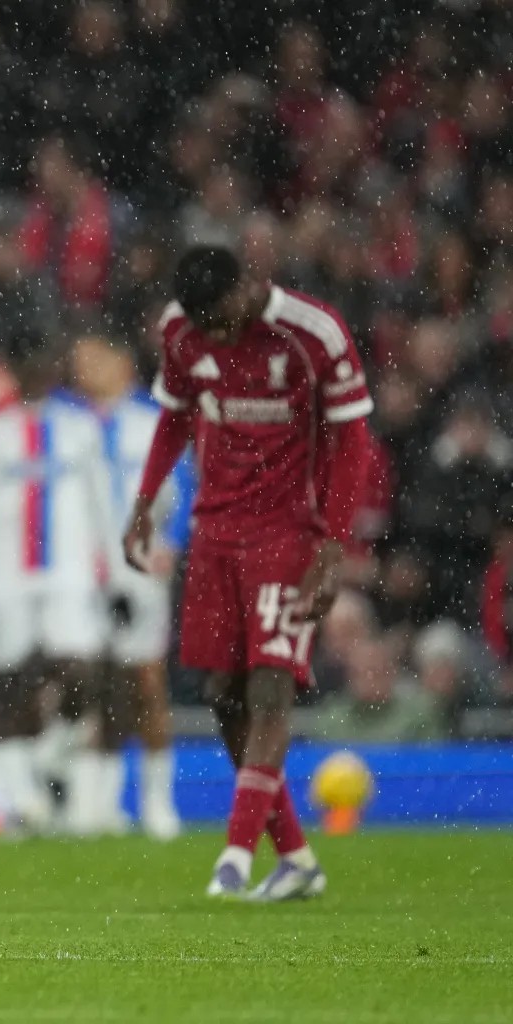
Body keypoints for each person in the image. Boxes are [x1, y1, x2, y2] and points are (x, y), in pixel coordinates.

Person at [124, 246, 373, 901]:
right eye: (203, 320)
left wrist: (333, 544)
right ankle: (295, 858)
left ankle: (233, 859)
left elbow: (354, 440)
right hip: (214, 533)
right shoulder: (182, 331)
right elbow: (175, 415)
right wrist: (146, 499)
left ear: (251, 283)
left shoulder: (314, 333)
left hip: (288, 535)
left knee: (270, 693)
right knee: (223, 698)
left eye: (223, 316)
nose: (215, 332)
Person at [0, 351, 123, 837]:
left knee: (83, 673)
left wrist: (114, 576)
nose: (35, 375)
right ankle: (24, 799)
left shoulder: (80, 429)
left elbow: (101, 501)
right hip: (5, 575)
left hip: (69, 573)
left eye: (42, 366)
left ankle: (50, 753)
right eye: (27, 366)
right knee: (11, 683)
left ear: (53, 372)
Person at [71, 335, 192, 840]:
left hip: (138, 565)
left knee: (145, 680)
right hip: (78, 570)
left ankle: (157, 800)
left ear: (122, 362)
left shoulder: (153, 424)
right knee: (93, 683)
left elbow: (184, 489)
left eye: (93, 357)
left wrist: (172, 543)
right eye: (77, 361)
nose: (83, 369)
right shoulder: (66, 425)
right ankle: (96, 801)